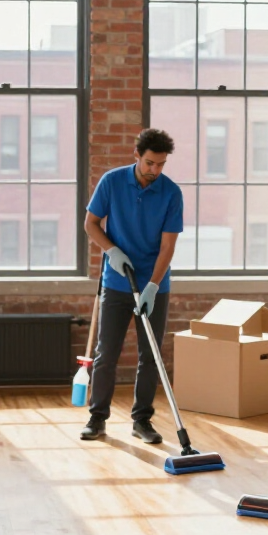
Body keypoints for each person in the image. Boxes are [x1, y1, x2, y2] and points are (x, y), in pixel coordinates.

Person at [81, 128, 183, 443]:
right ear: (136, 155)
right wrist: (111, 251)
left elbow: (167, 248)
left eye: (161, 164)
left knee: (149, 355)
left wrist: (152, 286)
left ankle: (142, 421)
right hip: (117, 283)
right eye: (150, 162)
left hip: (154, 286)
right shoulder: (112, 182)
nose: (155, 170)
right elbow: (91, 224)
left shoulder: (171, 193)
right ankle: (97, 419)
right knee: (106, 353)